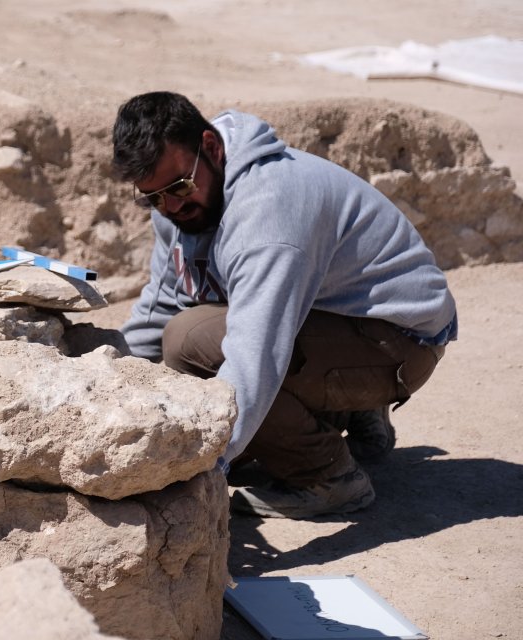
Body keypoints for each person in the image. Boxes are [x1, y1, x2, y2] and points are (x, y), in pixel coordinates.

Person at [111, 91, 457, 519]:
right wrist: (113, 378)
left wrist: (205, 468)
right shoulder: (183, 199)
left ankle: (328, 477)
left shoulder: (269, 213)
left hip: (403, 342)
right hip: (346, 321)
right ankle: (349, 410)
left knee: (190, 342)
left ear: (212, 147)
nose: (171, 207)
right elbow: (164, 300)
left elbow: (256, 355)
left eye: (179, 187)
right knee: (186, 333)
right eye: (154, 197)